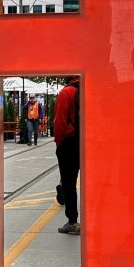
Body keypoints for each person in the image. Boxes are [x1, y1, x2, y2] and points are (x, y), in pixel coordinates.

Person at [53, 75, 81, 234]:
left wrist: (59, 142)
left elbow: (60, 121)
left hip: (70, 142)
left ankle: (72, 221)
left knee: (69, 182)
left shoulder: (67, 92)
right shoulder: (92, 90)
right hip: (91, 141)